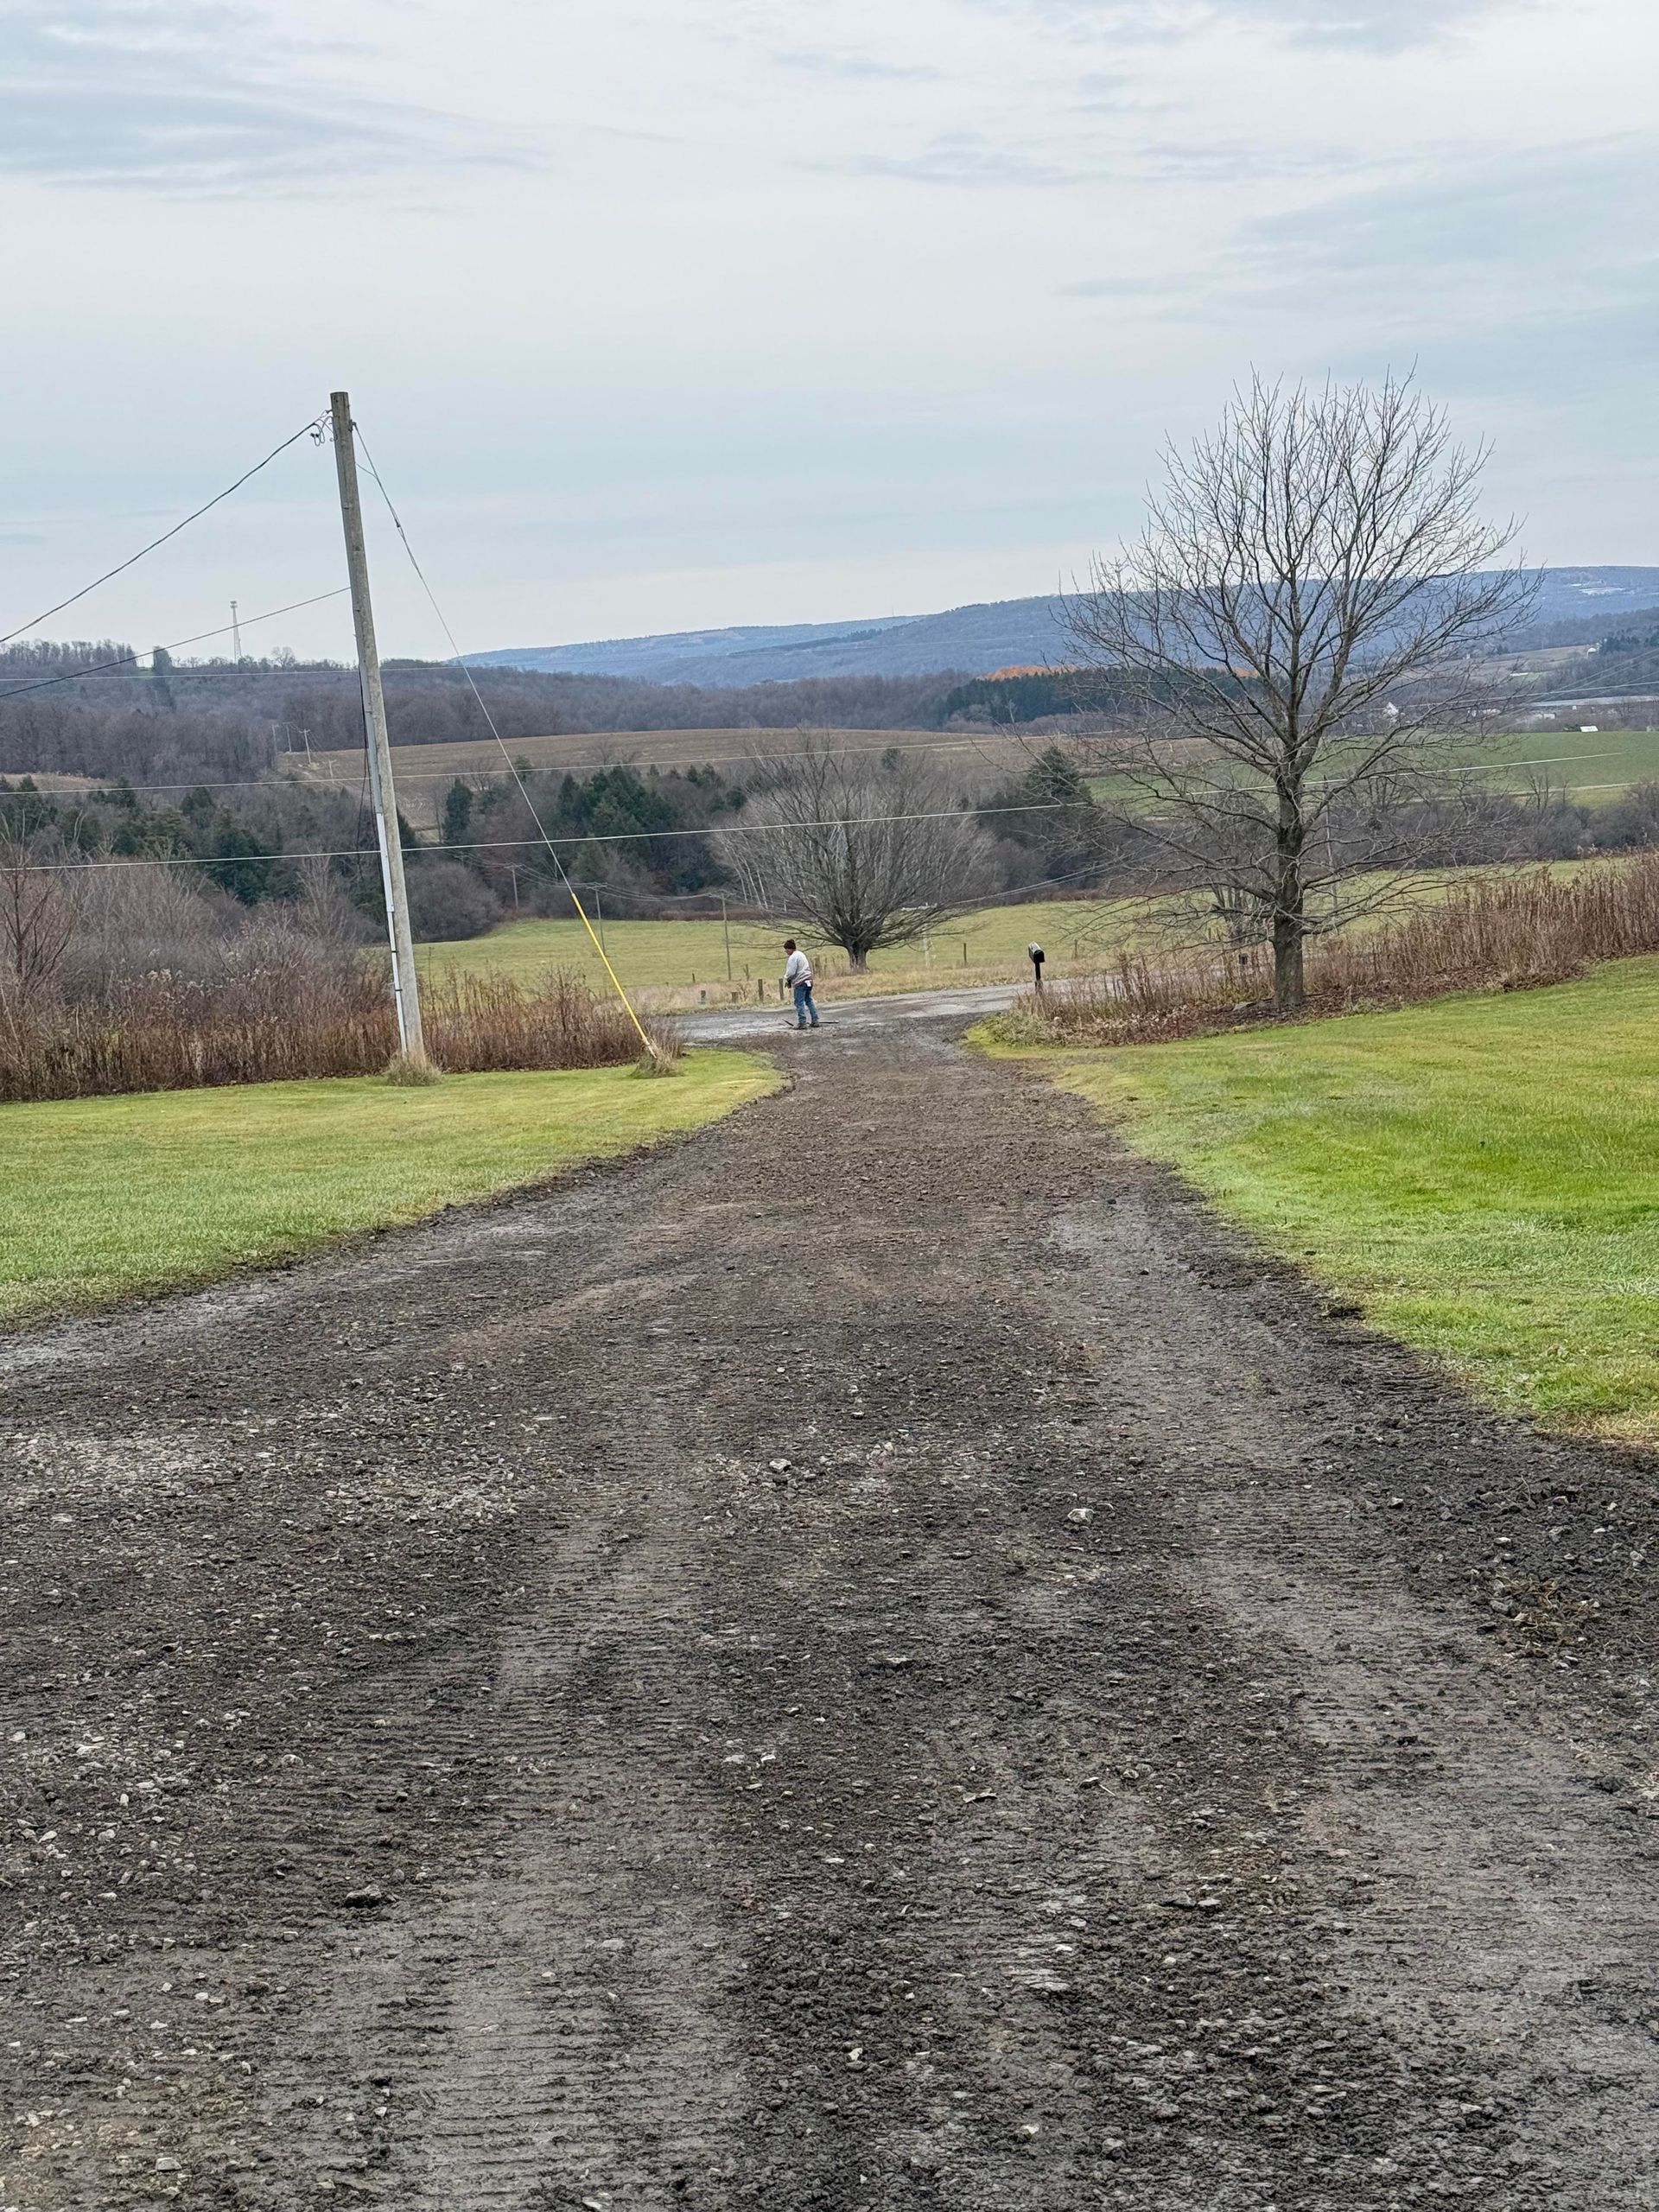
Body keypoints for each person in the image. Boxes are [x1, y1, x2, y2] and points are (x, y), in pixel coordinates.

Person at [782, 939, 820, 1029]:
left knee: (799, 1002)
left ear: (790, 949)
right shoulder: (801, 954)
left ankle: (802, 1022)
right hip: (809, 980)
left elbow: (791, 972)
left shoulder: (793, 958)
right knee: (809, 1000)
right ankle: (815, 1020)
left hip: (800, 982)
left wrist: (787, 978)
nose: (786, 951)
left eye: (787, 949)